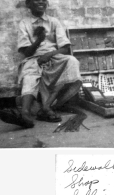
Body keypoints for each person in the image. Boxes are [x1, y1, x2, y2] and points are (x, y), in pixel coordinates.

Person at [15, 0, 82, 128]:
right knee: (29, 76)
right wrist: (39, 40)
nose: (41, 2)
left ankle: (47, 106)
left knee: (72, 61)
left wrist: (49, 54)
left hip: (53, 56)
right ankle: (25, 113)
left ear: (47, 4)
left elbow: (65, 48)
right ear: (29, 4)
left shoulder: (54, 21)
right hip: (34, 58)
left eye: (43, 0)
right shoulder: (24, 23)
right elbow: (26, 53)